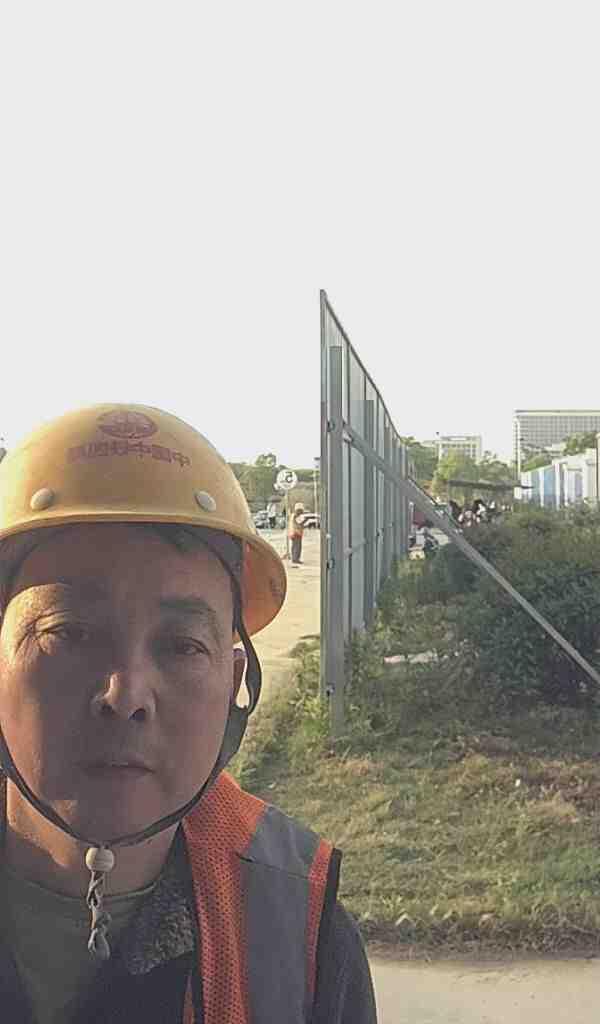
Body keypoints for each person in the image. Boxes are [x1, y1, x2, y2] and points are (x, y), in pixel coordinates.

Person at [0, 404, 377, 1023]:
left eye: (181, 646)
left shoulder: (301, 936)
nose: (126, 695)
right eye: (69, 633)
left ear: (234, 683)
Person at [288, 501, 307, 565]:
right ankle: (296, 559)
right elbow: (300, 523)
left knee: (294, 546)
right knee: (297, 547)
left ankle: (294, 558)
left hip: (293, 533)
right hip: (296, 533)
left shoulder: (293, 515)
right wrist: (304, 522)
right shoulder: (296, 516)